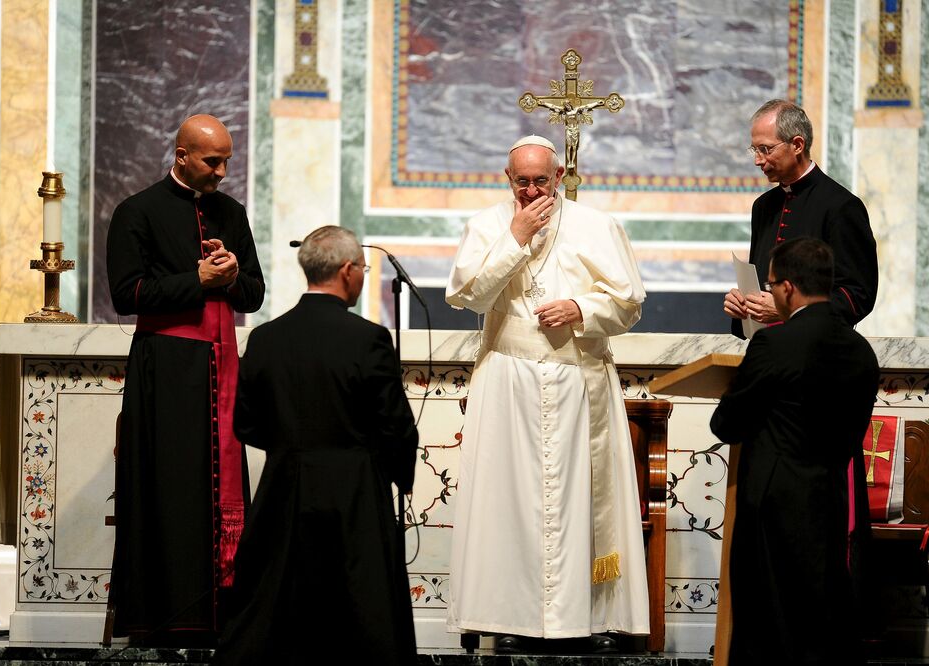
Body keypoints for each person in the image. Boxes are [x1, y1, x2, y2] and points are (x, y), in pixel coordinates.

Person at [445, 135, 649, 652]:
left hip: (579, 379)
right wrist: (514, 239)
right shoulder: (488, 226)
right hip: (508, 380)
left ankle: (588, 619)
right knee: (508, 504)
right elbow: (467, 295)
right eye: (522, 182)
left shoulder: (596, 226)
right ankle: (511, 618)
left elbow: (628, 303)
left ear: (559, 177)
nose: (532, 191)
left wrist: (582, 309)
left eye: (542, 180)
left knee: (582, 503)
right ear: (507, 178)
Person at [213, 226, 418, 665]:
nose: (362, 276)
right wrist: (395, 476)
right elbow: (396, 425)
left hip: (284, 489)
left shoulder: (266, 339)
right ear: (347, 272)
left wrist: (291, 450)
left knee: (277, 608)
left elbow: (245, 424)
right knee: (362, 613)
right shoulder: (368, 339)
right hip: (356, 494)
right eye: (362, 269)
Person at [106, 114, 265, 644]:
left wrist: (234, 273)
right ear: (181, 156)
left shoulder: (231, 213)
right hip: (165, 370)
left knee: (220, 487)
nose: (222, 171)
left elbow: (255, 295)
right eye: (212, 161)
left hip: (222, 369)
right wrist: (195, 279)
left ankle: (221, 613)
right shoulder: (137, 212)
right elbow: (126, 295)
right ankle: (163, 615)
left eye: (226, 161)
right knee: (168, 486)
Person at [711, 238, 880, 665]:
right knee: (820, 618)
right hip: (830, 500)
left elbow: (726, 423)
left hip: (772, 503)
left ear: (787, 288)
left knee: (768, 622)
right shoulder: (861, 351)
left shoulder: (776, 343)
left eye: (770, 285)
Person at [724, 99, 878, 336]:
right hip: (765, 348)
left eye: (765, 149)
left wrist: (790, 309)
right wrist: (744, 303)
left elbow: (857, 295)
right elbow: (763, 286)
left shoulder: (841, 206)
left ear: (797, 145)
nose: (757, 160)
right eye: (754, 150)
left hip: (817, 352)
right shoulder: (763, 206)